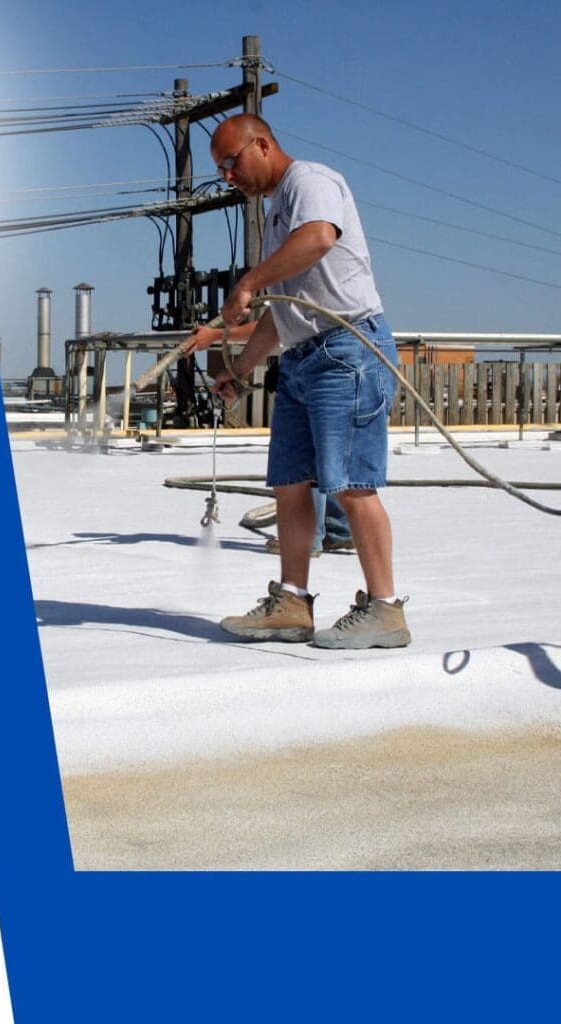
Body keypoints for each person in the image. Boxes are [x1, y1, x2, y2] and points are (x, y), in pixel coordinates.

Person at [184, 113, 409, 649]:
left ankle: (385, 610)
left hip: (348, 349)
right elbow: (281, 318)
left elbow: (320, 239)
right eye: (221, 170)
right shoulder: (277, 217)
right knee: (289, 482)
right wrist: (239, 372)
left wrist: (250, 280)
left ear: (261, 144)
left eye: (231, 163)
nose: (229, 177)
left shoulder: (310, 183)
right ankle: (292, 602)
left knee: (352, 485)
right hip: (305, 356)